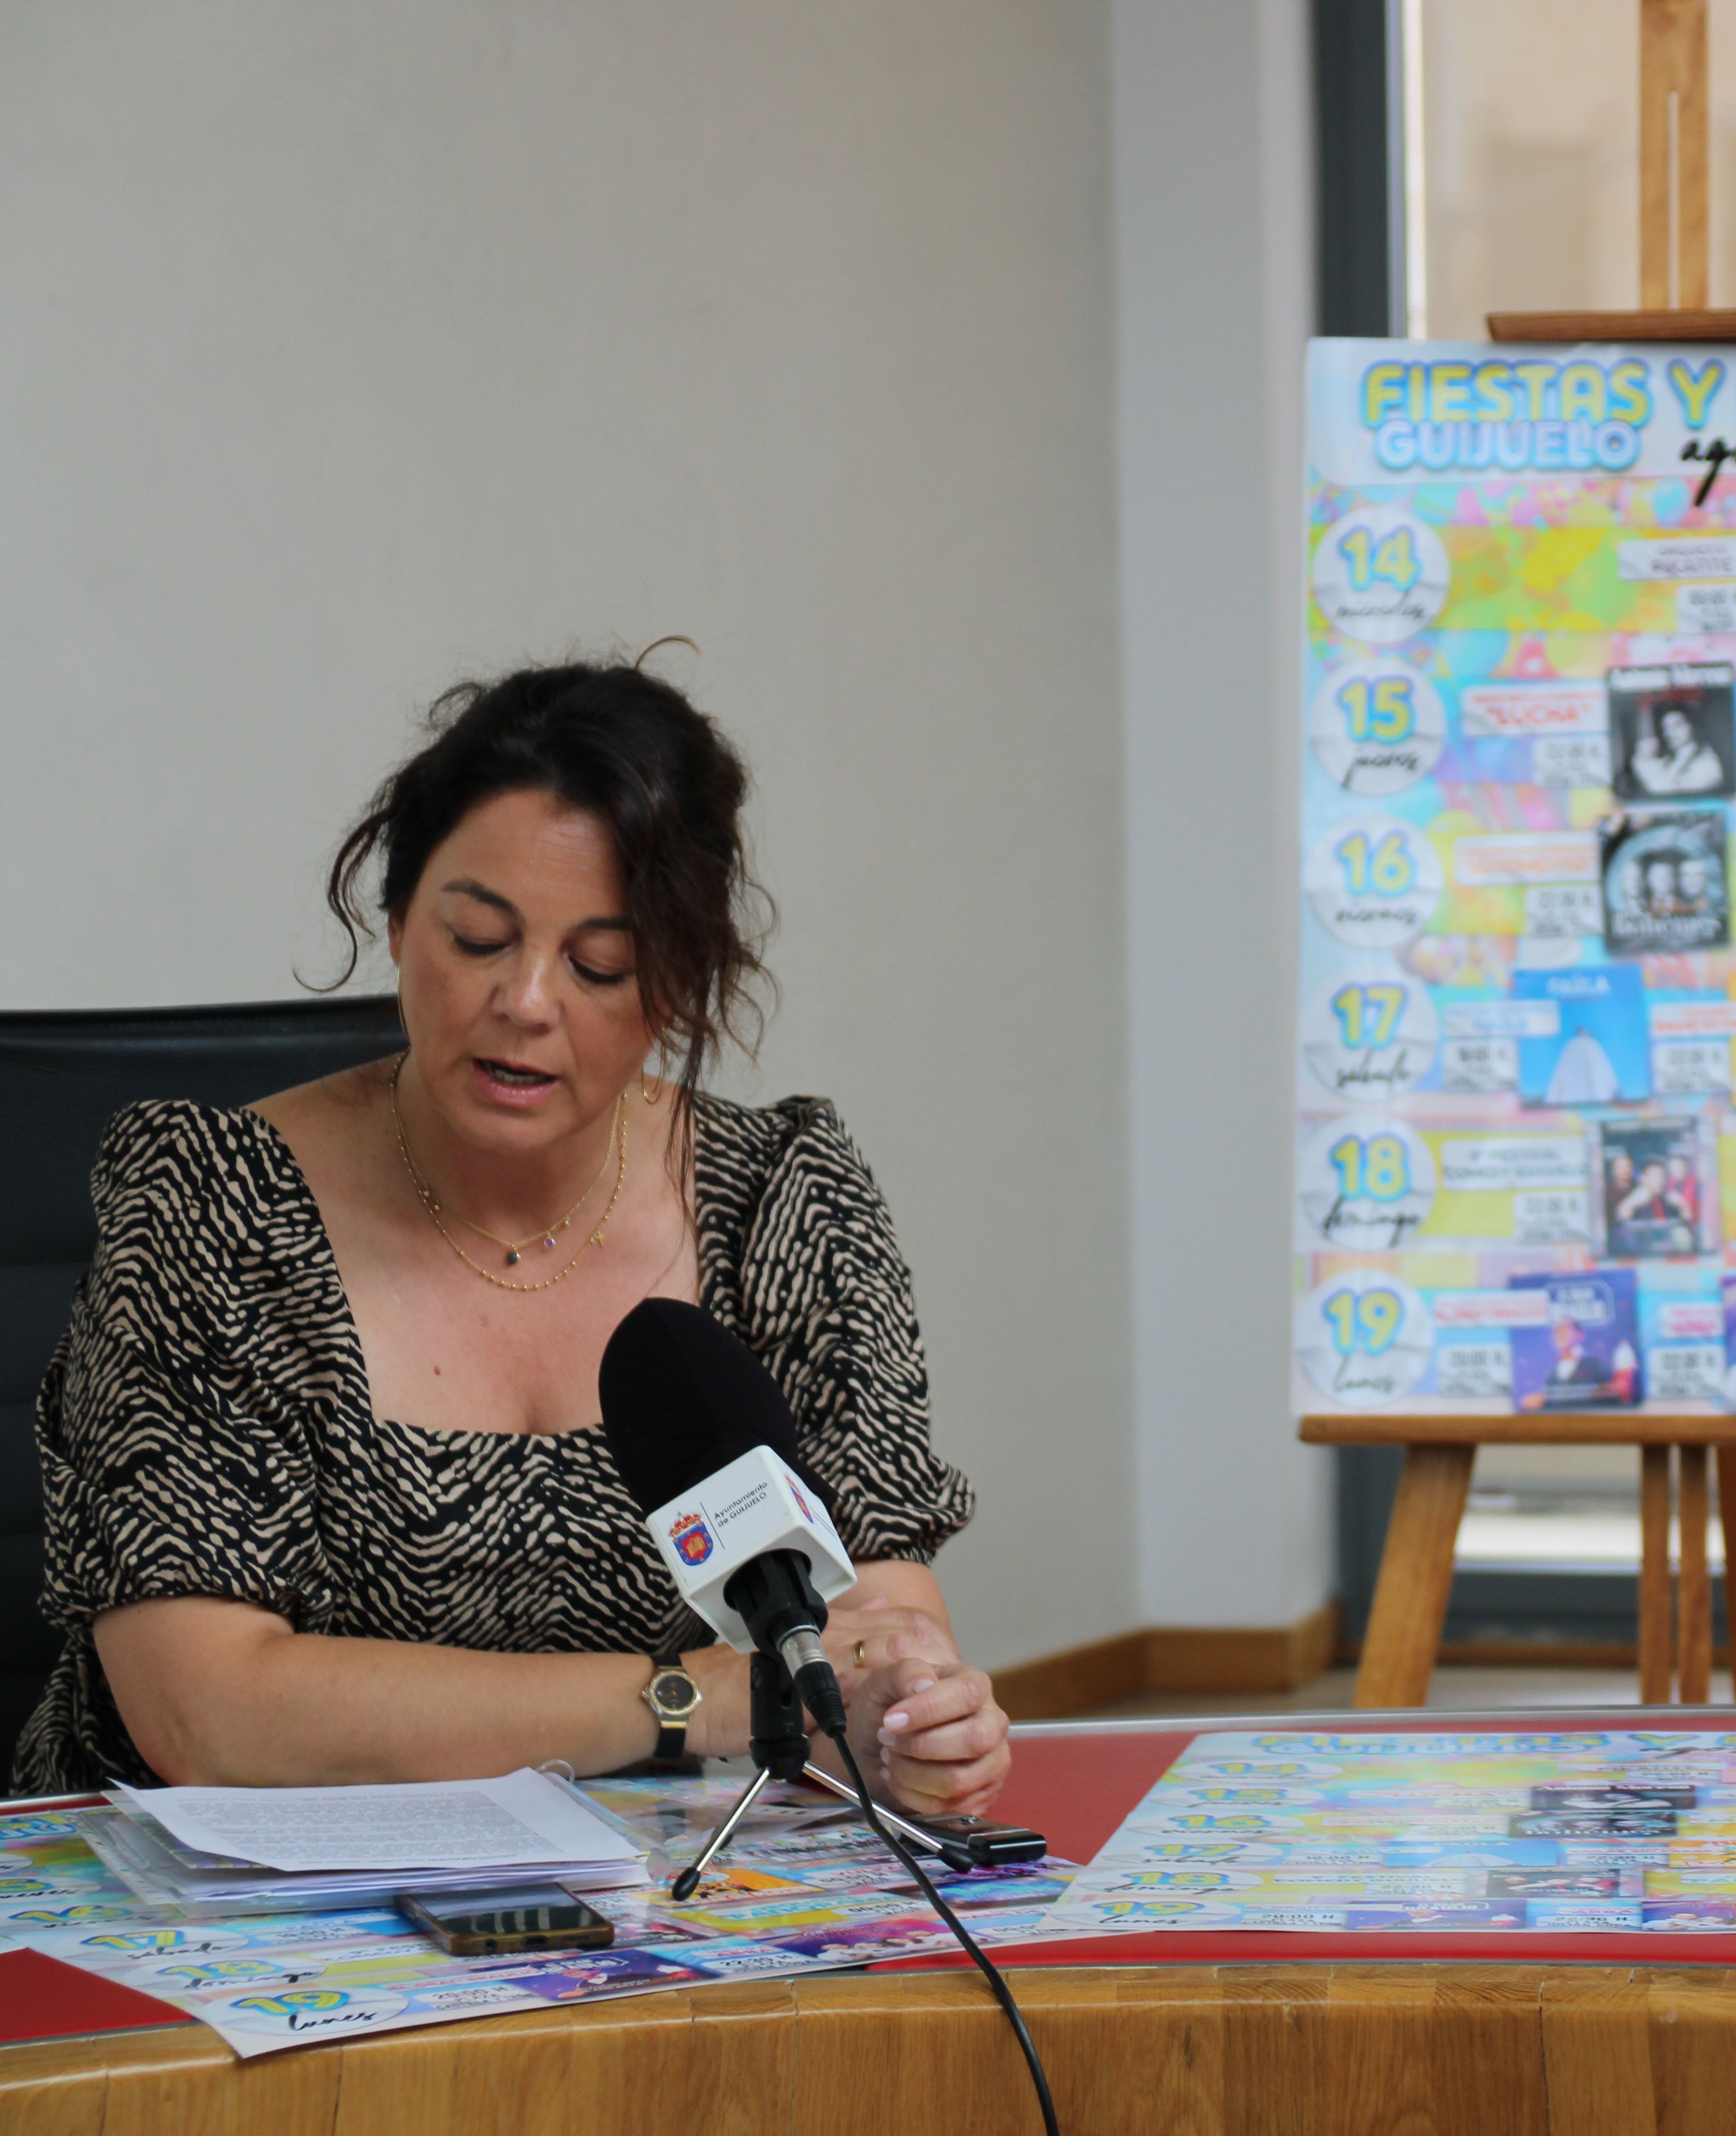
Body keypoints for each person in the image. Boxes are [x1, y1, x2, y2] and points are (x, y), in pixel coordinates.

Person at [13, 661, 1011, 1810]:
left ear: (681, 984)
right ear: (396, 922)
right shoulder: (214, 1205)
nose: (527, 1000)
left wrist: (909, 1729)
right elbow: (209, 1713)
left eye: (601, 965)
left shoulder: (783, 1200)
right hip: (209, 1910)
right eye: (480, 937)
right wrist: (703, 1698)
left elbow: (874, 1632)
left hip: (629, 1892)